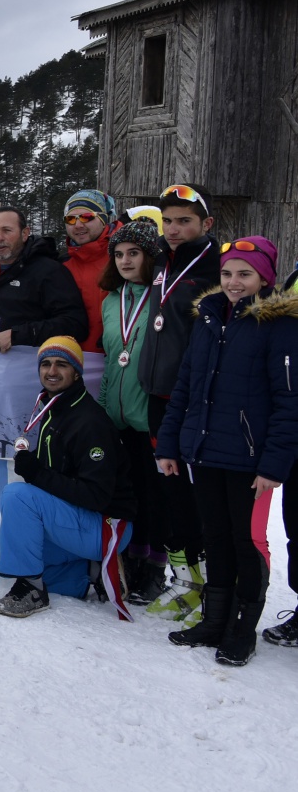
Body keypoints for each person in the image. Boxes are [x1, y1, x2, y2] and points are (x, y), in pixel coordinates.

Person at [157, 236, 297, 666]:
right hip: (205, 450)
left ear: (265, 278)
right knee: (215, 536)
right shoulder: (208, 317)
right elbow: (186, 384)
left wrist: (274, 464)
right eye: (227, 273)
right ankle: (215, 620)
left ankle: (243, 629)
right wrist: (170, 443)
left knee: (247, 540)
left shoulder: (281, 326)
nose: (234, 282)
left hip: (251, 459)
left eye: (245, 274)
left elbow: (289, 401)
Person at [0, 337, 136, 618]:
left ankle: (32, 589)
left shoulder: (89, 422)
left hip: (107, 526)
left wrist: (37, 474)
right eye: (45, 364)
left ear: (76, 371)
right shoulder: (56, 408)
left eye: (61, 364)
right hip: (82, 521)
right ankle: (84, 572)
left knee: (17, 496)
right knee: (14, 550)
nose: (52, 371)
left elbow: (96, 496)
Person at [138, 184, 221, 624]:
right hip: (157, 397)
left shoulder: (216, 268)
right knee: (170, 493)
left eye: (184, 221)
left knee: (196, 498)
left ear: (206, 224)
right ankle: (185, 580)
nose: (173, 229)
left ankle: (211, 587)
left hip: (191, 402)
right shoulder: (162, 264)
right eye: (167, 220)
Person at [95, 220, 164, 605]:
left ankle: (155, 567)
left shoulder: (162, 296)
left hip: (150, 415)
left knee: (157, 496)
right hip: (118, 414)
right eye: (119, 254)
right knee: (129, 492)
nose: (124, 260)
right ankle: (131, 562)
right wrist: (105, 410)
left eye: (133, 253)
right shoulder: (111, 300)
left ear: (149, 256)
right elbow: (110, 358)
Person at [0, 207, 88, 352]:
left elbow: (74, 324)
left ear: (25, 233)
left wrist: (18, 336)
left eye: (7, 230)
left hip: (30, 368)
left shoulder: (49, 271)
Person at [61, 189, 117, 352]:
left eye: (87, 217)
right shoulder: (63, 264)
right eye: (70, 219)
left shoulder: (121, 258)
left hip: (115, 357)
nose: (78, 225)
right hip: (72, 358)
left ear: (103, 219)